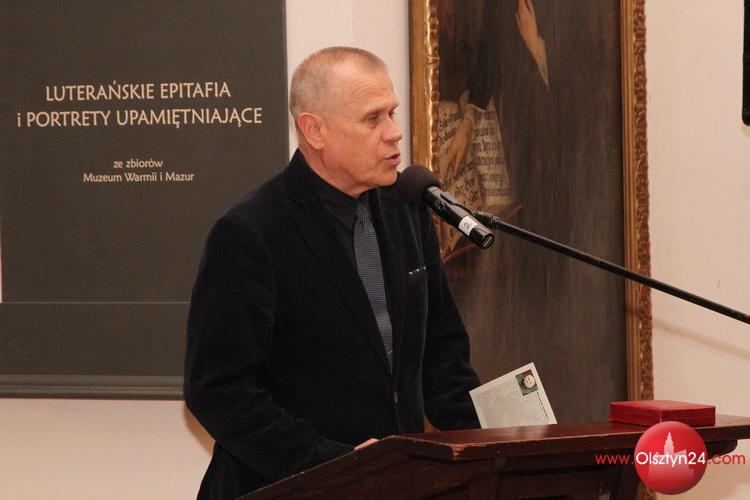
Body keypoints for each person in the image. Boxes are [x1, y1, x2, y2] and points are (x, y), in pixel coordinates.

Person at [184, 46, 480, 499]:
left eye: (392, 113)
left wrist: (504, 450)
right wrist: (335, 463)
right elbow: (218, 390)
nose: (394, 133)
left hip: (397, 486)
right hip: (286, 488)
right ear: (314, 130)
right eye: (372, 119)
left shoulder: (406, 210)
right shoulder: (251, 232)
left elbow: (442, 358)